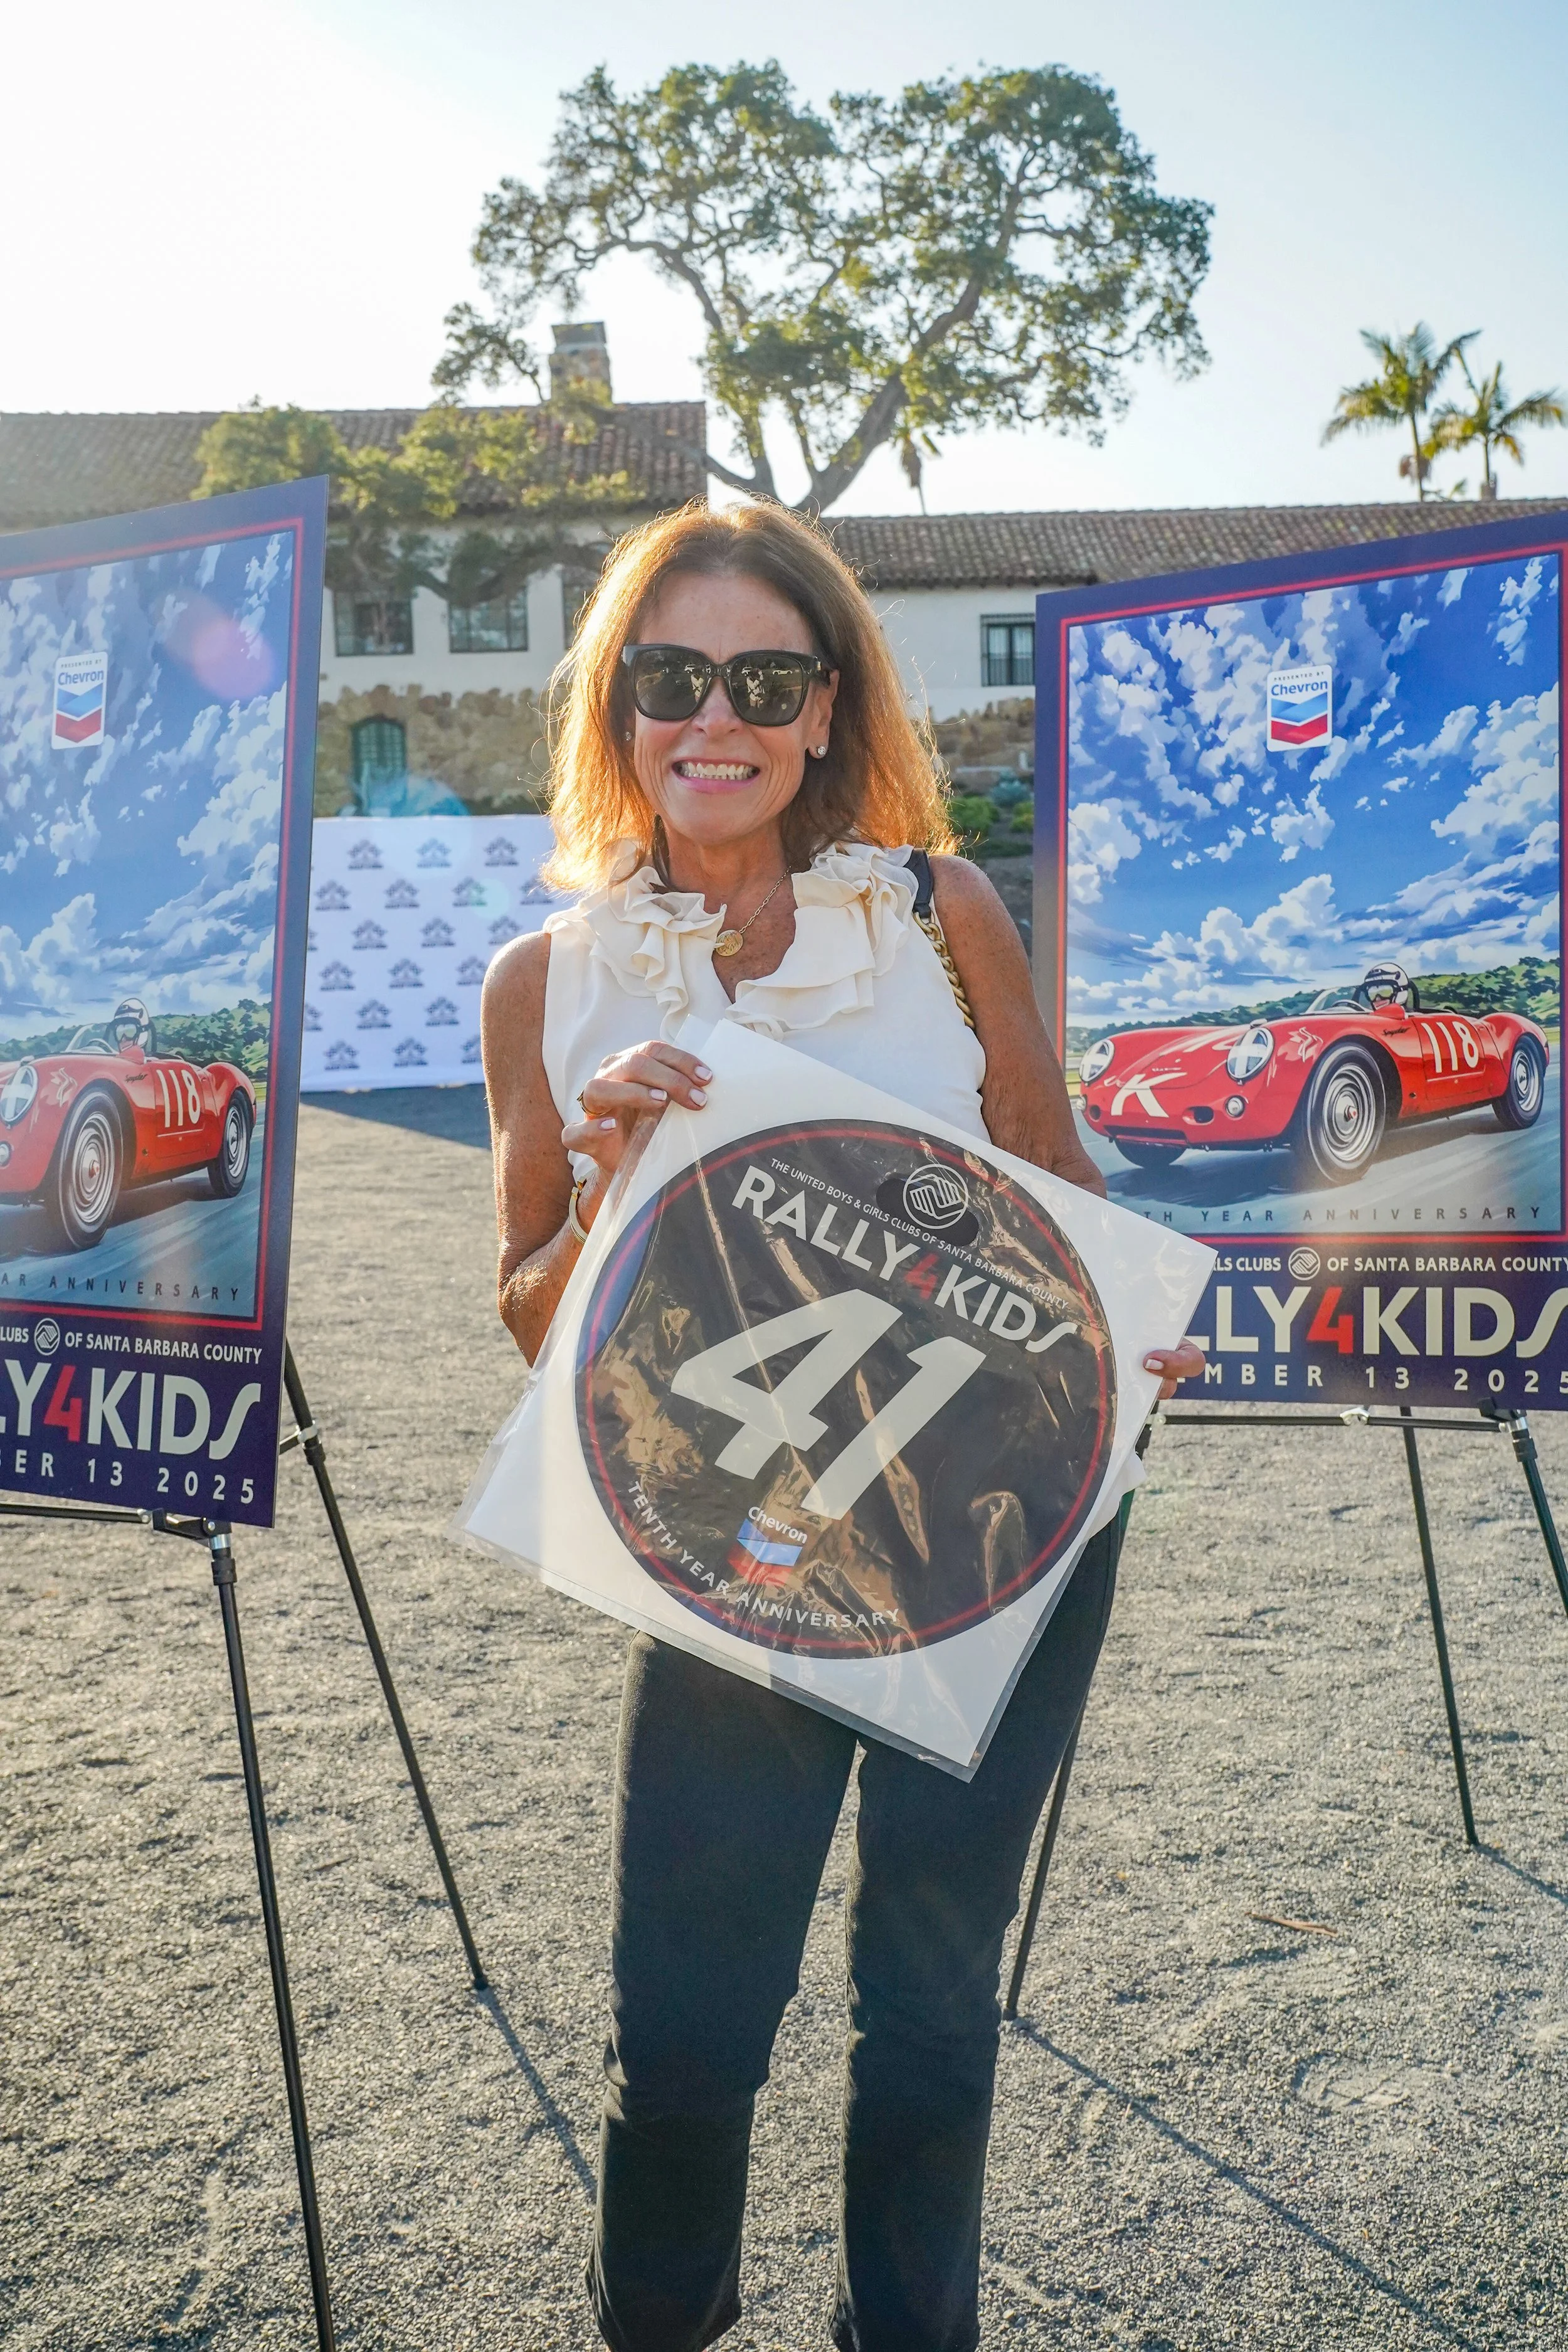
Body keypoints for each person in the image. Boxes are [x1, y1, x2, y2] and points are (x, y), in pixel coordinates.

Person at [482, 500, 1202, 2352]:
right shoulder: (542, 985)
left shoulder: (941, 915)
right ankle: (663, 2323)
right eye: (668, 676)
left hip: (992, 1521)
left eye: (763, 676)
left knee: (929, 2000)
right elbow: (528, 1308)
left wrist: (1129, 1336)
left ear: (823, 709)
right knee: (692, 2016)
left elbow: (1062, 1199)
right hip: (738, 1545)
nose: (711, 715)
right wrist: (609, 1178)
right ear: (618, 706)